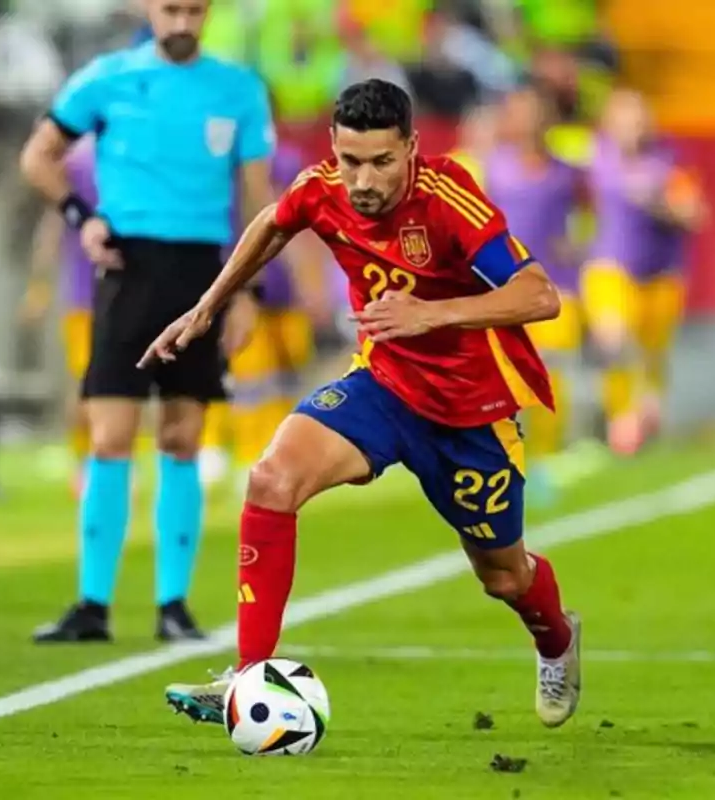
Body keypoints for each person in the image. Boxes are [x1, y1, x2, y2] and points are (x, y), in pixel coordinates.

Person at [144, 79, 583, 729]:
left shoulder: (450, 199)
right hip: (382, 386)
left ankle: (558, 641)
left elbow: (539, 294)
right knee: (270, 479)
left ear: (410, 149)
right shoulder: (323, 187)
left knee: (504, 577)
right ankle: (249, 678)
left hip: (470, 415)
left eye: (381, 162)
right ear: (333, 148)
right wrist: (208, 308)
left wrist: (431, 314)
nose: (363, 179)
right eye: (351, 161)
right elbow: (272, 224)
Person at [18, 0, 275, 643]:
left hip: (201, 276)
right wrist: (83, 217)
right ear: (148, 9)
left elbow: (258, 200)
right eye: (171, 9)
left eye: (194, 10)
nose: (182, 21)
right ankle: (92, 605)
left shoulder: (239, 89)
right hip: (127, 269)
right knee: (110, 437)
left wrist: (247, 292)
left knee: (182, 438)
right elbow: (38, 156)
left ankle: (173, 606)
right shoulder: (105, 78)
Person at [198, 140, 329, 490]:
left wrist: (310, 280)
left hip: (280, 286)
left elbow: (303, 226)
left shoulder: (285, 161)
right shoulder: (216, 163)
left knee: (283, 375)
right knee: (248, 373)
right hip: (239, 282)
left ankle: (277, 452)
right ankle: (235, 451)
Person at [482, 86, 591, 496]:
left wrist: (579, 243)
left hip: (555, 287)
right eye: (520, 113)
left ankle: (545, 458)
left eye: (535, 113)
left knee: (552, 373)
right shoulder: (493, 168)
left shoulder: (566, 171)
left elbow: (589, 212)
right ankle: (512, 460)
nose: (528, 122)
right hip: (505, 289)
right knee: (507, 380)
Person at [583, 89, 706, 455]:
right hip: (610, 265)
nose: (631, 130)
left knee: (652, 351)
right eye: (623, 121)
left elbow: (694, 213)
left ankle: (649, 406)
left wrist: (659, 204)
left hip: (660, 270)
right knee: (614, 340)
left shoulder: (669, 159)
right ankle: (621, 418)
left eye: (637, 121)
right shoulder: (592, 156)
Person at [22, 136, 99, 495]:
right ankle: (83, 460)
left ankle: (114, 460)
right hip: (86, 294)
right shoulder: (79, 159)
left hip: (134, 290)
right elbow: (53, 225)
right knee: (88, 381)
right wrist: (39, 288)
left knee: (125, 383)